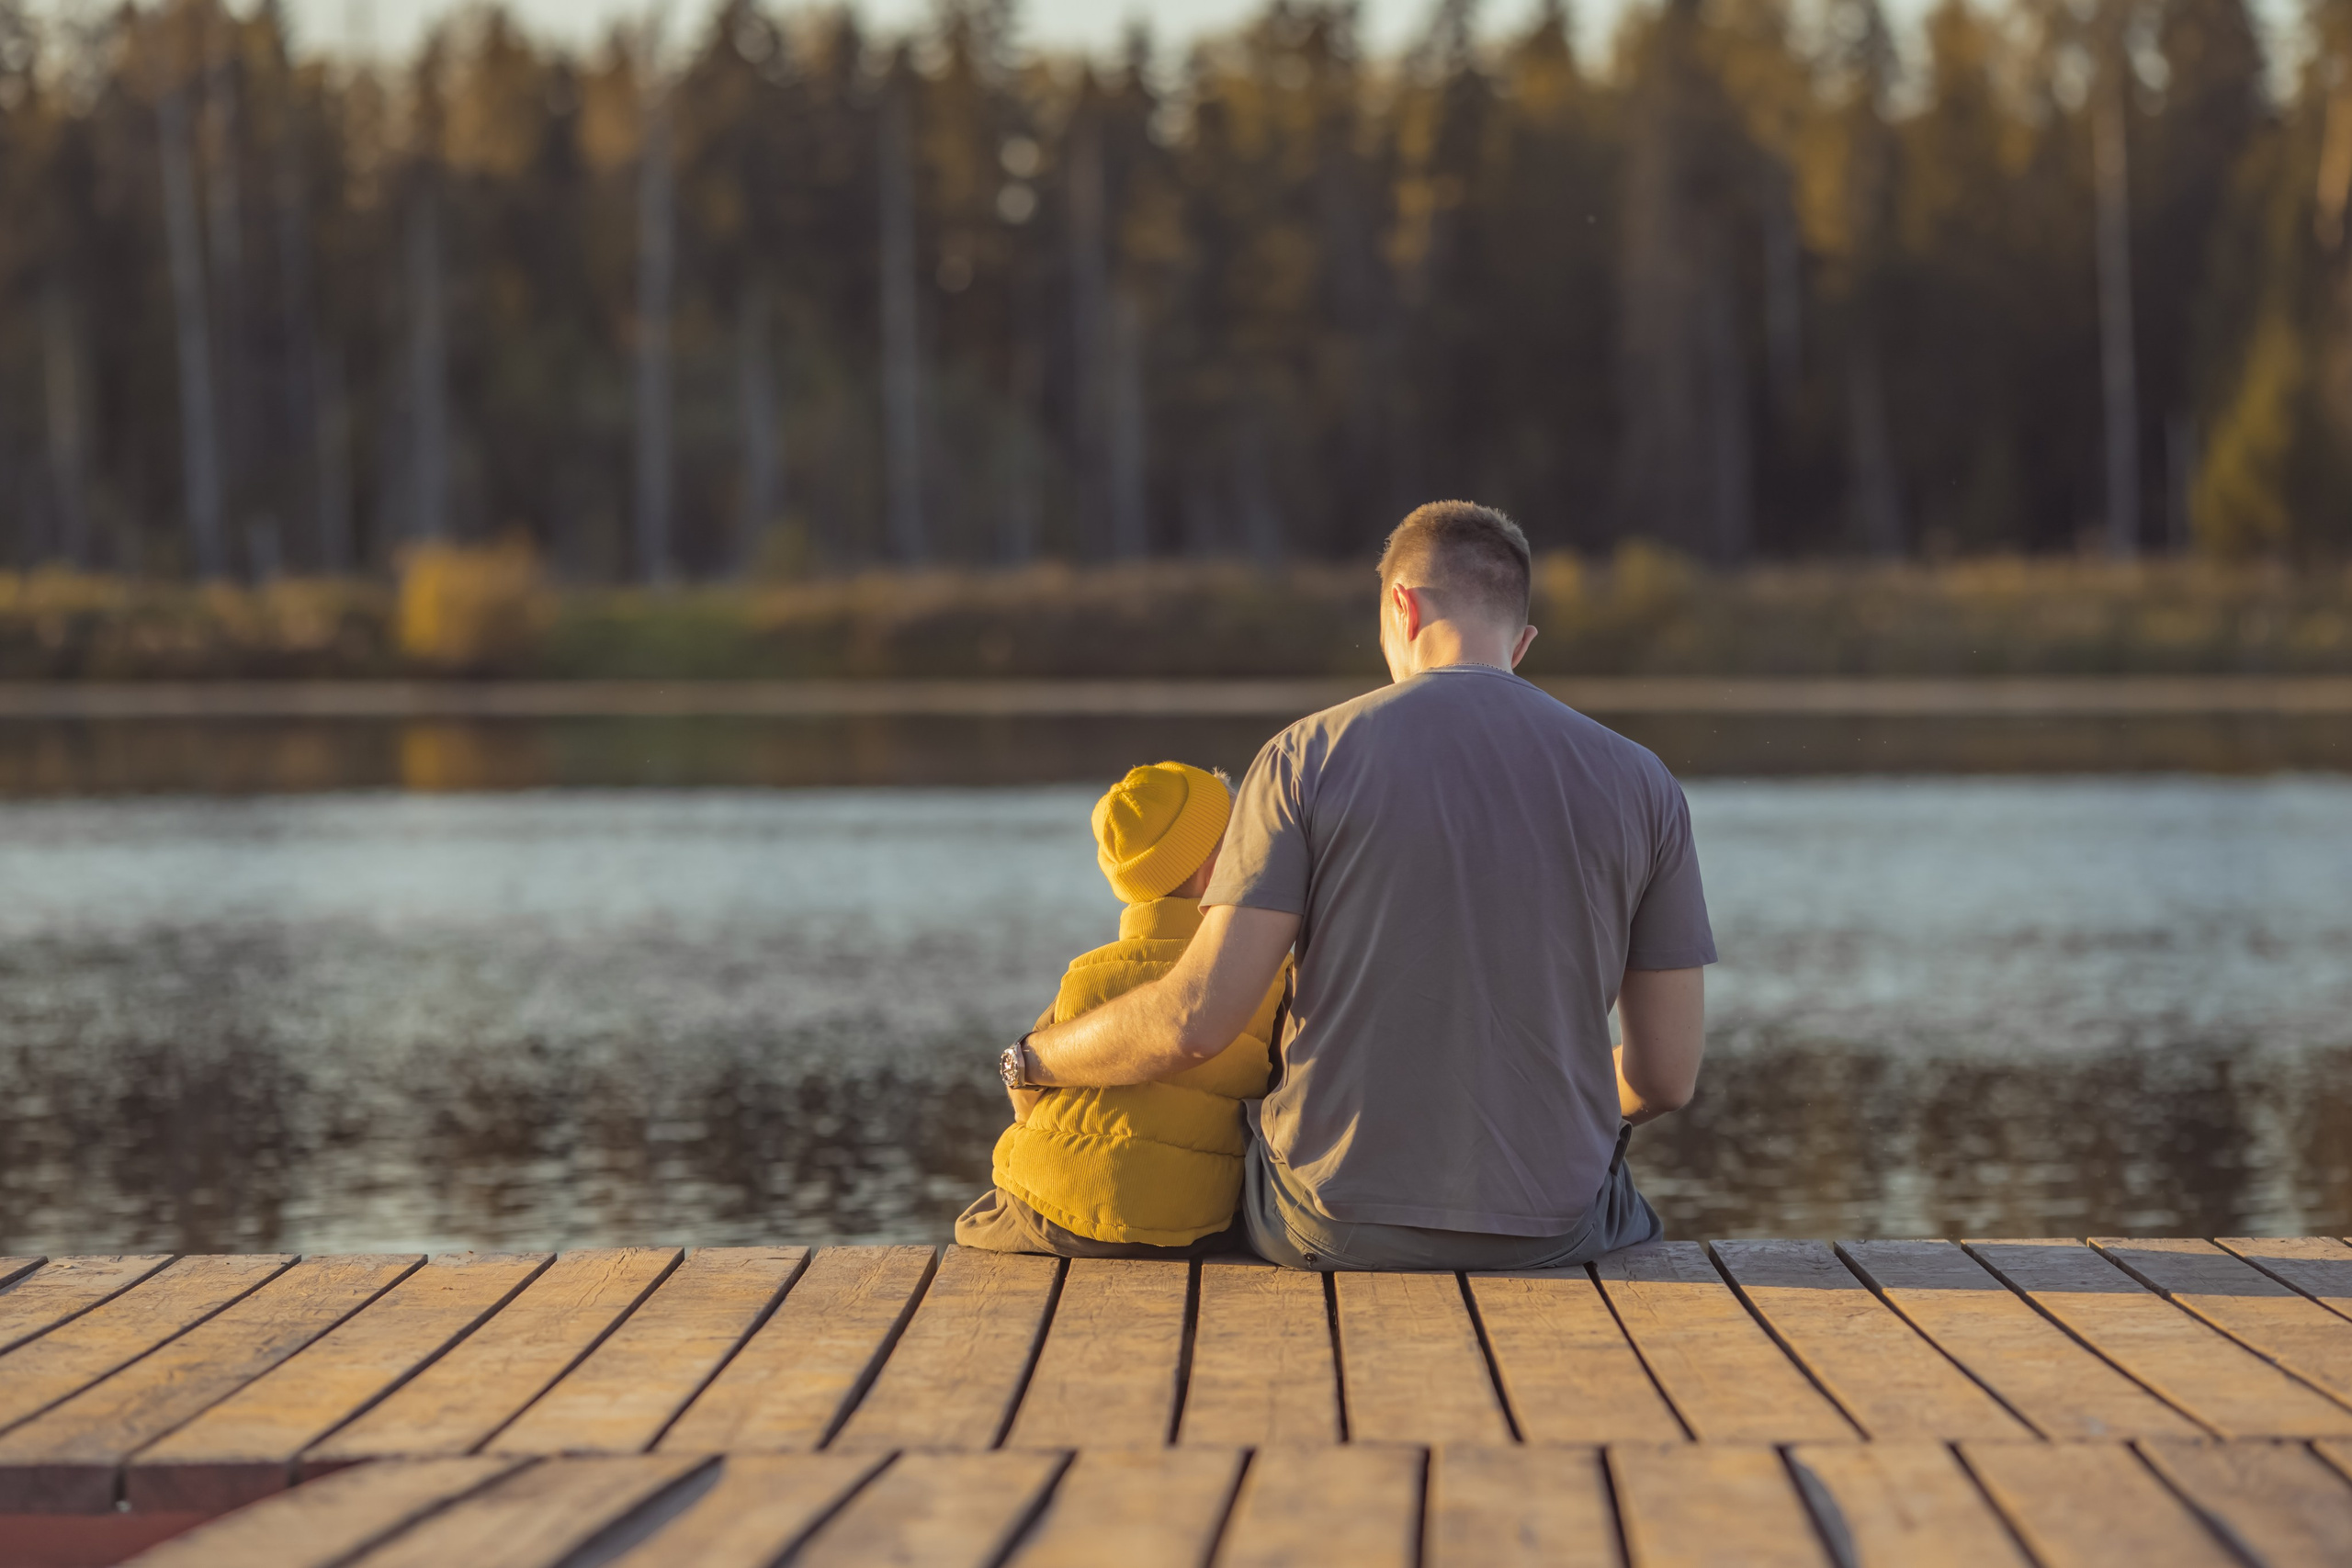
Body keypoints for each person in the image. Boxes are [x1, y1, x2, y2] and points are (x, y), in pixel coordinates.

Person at [994, 501, 1714, 1270]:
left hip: (1327, 1225)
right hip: (1555, 1228)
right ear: (1522, 642)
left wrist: (1034, 1058)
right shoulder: (1645, 783)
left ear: (1401, 607)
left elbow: (1195, 1021)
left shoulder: (1302, 758)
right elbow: (1664, 1077)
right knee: (1627, 1209)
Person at [958, 761, 1291, 1258]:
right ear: (1215, 870)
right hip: (1192, 1219)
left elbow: (1026, 1096)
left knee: (977, 1222)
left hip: (1053, 1204)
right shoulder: (1265, 971)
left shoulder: (1087, 975)